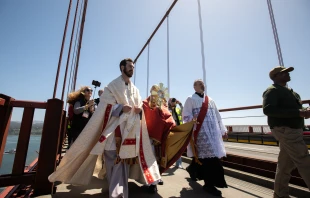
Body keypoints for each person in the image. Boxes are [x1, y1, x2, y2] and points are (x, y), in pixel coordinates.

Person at [49, 58, 161, 198]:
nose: (132, 68)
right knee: (112, 162)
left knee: (123, 164)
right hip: (113, 132)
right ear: (122, 67)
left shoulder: (136, 89)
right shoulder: (112, 87)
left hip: (129, 132)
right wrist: (120, 108)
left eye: (133, 67)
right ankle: (117, 192)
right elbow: (104, 107)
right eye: (130, 66)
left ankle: (118, 194)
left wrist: (139, 110)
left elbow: (139, 107)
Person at [262, 66, 310, 198]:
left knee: (285, 165)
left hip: (293, 130)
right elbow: (268, 110)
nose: (288, 74)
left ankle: (279, 194)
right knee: (304, 160)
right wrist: (299, 112)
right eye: (284, 73)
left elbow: (296, 109)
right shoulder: (272, 91)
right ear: (276, 76)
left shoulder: (292, 93)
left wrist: (304, 110)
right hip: (285, 130)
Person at [183, 79, 228, 197]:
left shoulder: (211, 100)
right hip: (200, 134)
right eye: (199, 83)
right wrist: (191, 120)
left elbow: (218, 116)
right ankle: (209, 184)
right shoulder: (190, 99)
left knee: (204, 157)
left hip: (213, 134)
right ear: (194, 87)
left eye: (203, 83)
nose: (202, 85)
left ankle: (192, 170)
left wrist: (223, 130)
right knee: (210, 158)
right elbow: (186, 115)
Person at [168, 97, 184, 168]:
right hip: (171, 130)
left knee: (179, 146)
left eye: (174, 101)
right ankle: (169, 161)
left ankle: (179, 163)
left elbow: (184, 112)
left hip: (179, 128)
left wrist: (180, 104)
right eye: (172, 101)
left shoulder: (178, 109)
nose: (173, 102)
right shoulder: (168, 110)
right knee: (171, 146)